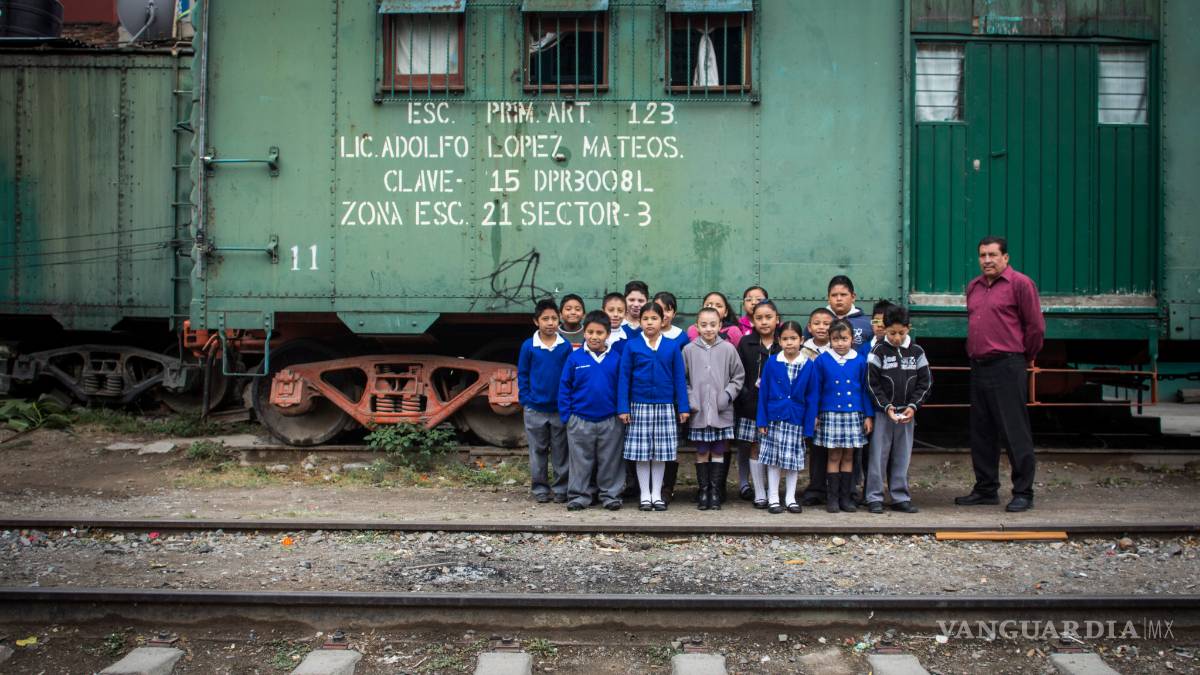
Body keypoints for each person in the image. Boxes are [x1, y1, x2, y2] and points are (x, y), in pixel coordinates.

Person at [956, 236, 1044, 513]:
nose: (987, 260)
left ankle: (1023, 492)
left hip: (1008, 364)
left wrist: (1021, 357)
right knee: (981, 431)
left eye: (993, 255)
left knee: (1013, 430)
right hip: (979, 365)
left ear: (1005, 257)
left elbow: (1035, 327)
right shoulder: (974, 286)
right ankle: (985, 488)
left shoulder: (1021, 284)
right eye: (982, 255)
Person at [618, 302, 690, 511]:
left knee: (661, 454)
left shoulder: (671, 346)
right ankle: (645, 495)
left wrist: (683, 406)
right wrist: (623, 407)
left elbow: (679, 378)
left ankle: (657, 494)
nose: (650, 323)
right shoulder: (632, 346)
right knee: (642, 453)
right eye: (646, 319)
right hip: (638, 405)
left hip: (665, 405)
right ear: (640, 322)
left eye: (654, 318)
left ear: (662, 321)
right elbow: (624, 378)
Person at [865, 305, 932, 514]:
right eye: (891, 333)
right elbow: (871, 383)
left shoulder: (917, 351)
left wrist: (913, 406)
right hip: (883, 413)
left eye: (901, 333)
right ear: (884, 329)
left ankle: (900, 496)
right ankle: (874, 497)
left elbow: (926, 382)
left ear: (908, 328)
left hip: (907, 413)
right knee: (878, 456)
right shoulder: (877, 351)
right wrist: (886, 407)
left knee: (902, 456)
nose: (896, 337)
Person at [559, 311, 625, 511]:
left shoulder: (616, 358)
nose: (595, 336)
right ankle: (580, 495)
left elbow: (622, 387)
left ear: (607, 334)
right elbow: (564, 387)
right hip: (580, 419)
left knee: (610, 460)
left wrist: (621, 412)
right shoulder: (574, 358)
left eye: (600, 332)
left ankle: (610, 495)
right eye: (590, 332)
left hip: (610, 419)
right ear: (584, 333)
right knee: (580, 460)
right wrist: (567, 416)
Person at [682, 307, 745, 510]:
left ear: (720, 325)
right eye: (704, 325)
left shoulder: (728, 349)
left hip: (721, 410)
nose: (708, 329)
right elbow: (683, 379)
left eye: (713, 324)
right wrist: (691, 399)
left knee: (718, 449)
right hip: (698, 411)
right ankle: (704, 491)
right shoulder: (689, 350)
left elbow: (738, 376)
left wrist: (727, 395)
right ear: (697, 326)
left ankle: (716, 492)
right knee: (701, 451)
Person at [811, 320, 874, 513]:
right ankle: (832, 499)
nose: (840, 343)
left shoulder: (859, 360)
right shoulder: (822, 360)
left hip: (853, 413)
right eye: (836, 339)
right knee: (834, 454)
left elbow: (865, 390)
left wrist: (868, 415)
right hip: (830, 413)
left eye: (844, 339)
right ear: (830, 339)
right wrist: (814, 415)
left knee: (849, 455)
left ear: (851, 339)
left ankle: (846, 499)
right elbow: (815, 390)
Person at [755, 321, 816, 514]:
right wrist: (762, 420)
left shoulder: (808, 365)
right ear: (779, 341)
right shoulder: (773, 363)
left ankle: (790, 497)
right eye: (785, 339)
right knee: (773, 460)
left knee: (793, 461)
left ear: (802, 340)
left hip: (795, 419)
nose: (789, 343)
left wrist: (808, 426)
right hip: (774, 418)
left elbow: (812, 397)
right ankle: (773, 496)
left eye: (794, 338)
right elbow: (763, 393)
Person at [517, 298, 573, 503]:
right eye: (545, 319)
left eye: (554, 319)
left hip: (558, 409)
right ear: (536, 321)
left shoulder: (564, 346)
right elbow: (523, 374)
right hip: (535, 409)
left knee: (561, 451)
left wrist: (566, 402)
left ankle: (561, 489)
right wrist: (526, 398)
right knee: (538, 450)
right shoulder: (528, 346)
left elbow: (568, 376)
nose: (550, 323)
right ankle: (540, 488)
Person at [734, 300, 781, 508]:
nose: (764, 322)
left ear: (777, 319)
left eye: (768, 317)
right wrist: (745, 394)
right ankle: (759, 492)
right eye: (759, 318)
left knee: (773, 448)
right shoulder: (746, 343)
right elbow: (738, 373)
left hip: (777, 407)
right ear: (752, 320)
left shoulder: (783, 342)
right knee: (754, 446)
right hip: (752, 404)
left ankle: (773, 491)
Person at [799, 307, 835, 506]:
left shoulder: (839, 347)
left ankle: (837, 490)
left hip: (834, 406)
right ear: (809, 327)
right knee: (817, 449)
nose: (822, 327)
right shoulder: (803, 350)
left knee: (838, 450)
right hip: (812, 408)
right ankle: (816, 488)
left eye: (826, 323)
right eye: (817, 323)